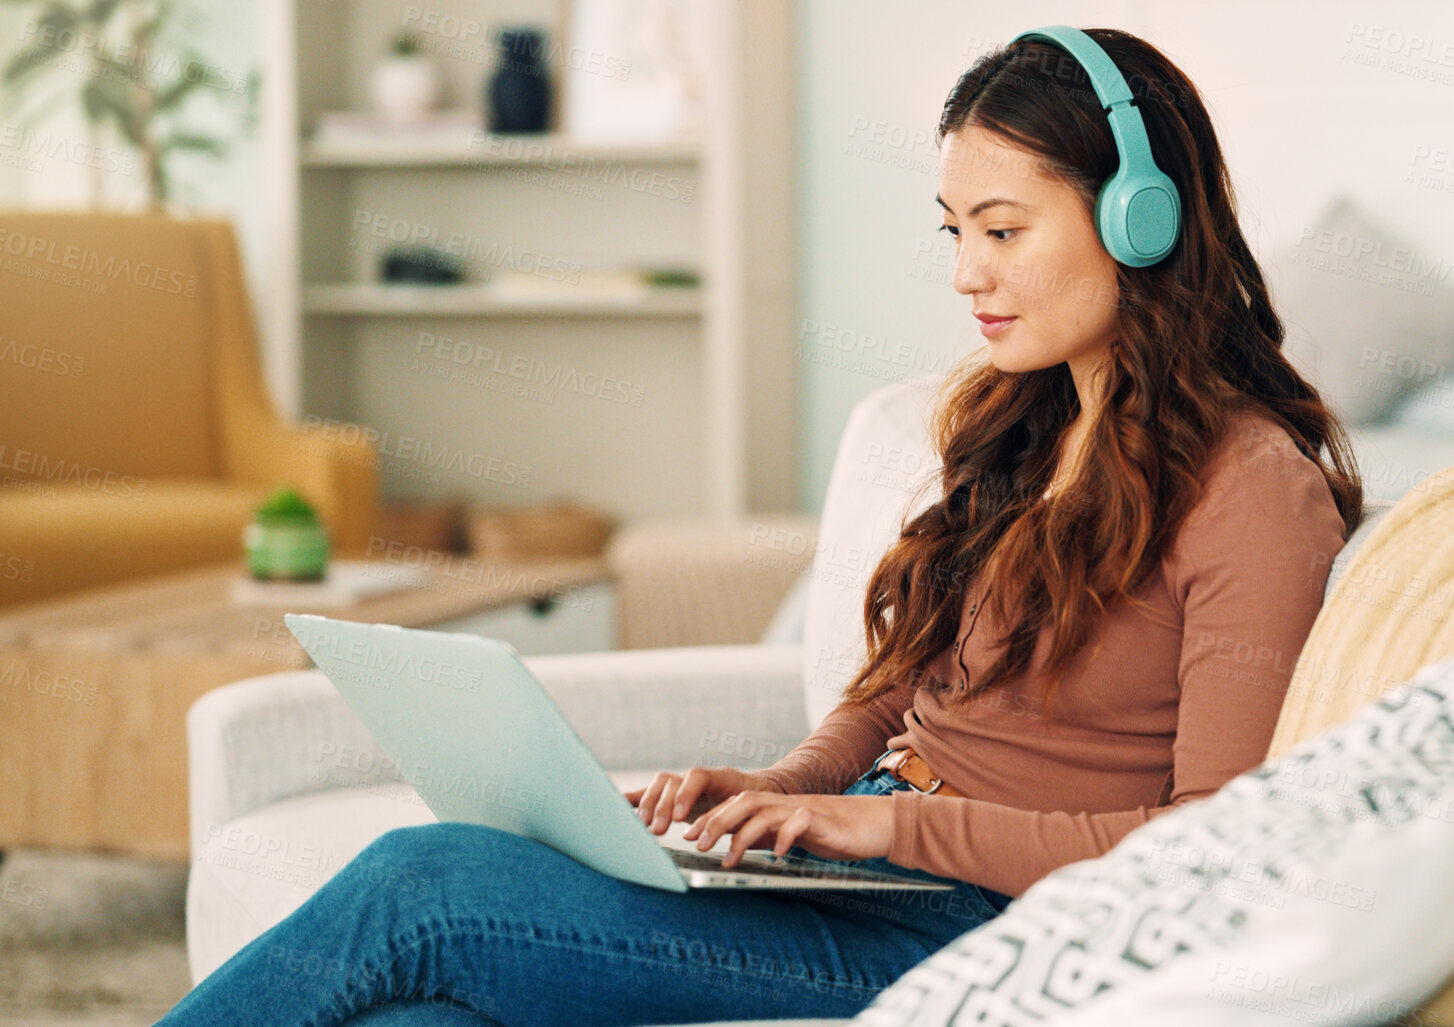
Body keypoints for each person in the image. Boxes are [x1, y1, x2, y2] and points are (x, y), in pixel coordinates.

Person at [157, 25, 1363, 1026]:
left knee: (418, 885)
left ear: (1140, 219)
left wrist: (886, 821)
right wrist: (786, 792)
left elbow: (1212, 845)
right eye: (956, 233)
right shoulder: (1020, 419)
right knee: (421, 1016)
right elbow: (897, 695)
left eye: (1003, 230)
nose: (966, 276)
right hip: (867, 871)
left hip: (977, 923)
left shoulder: (1251, 488)